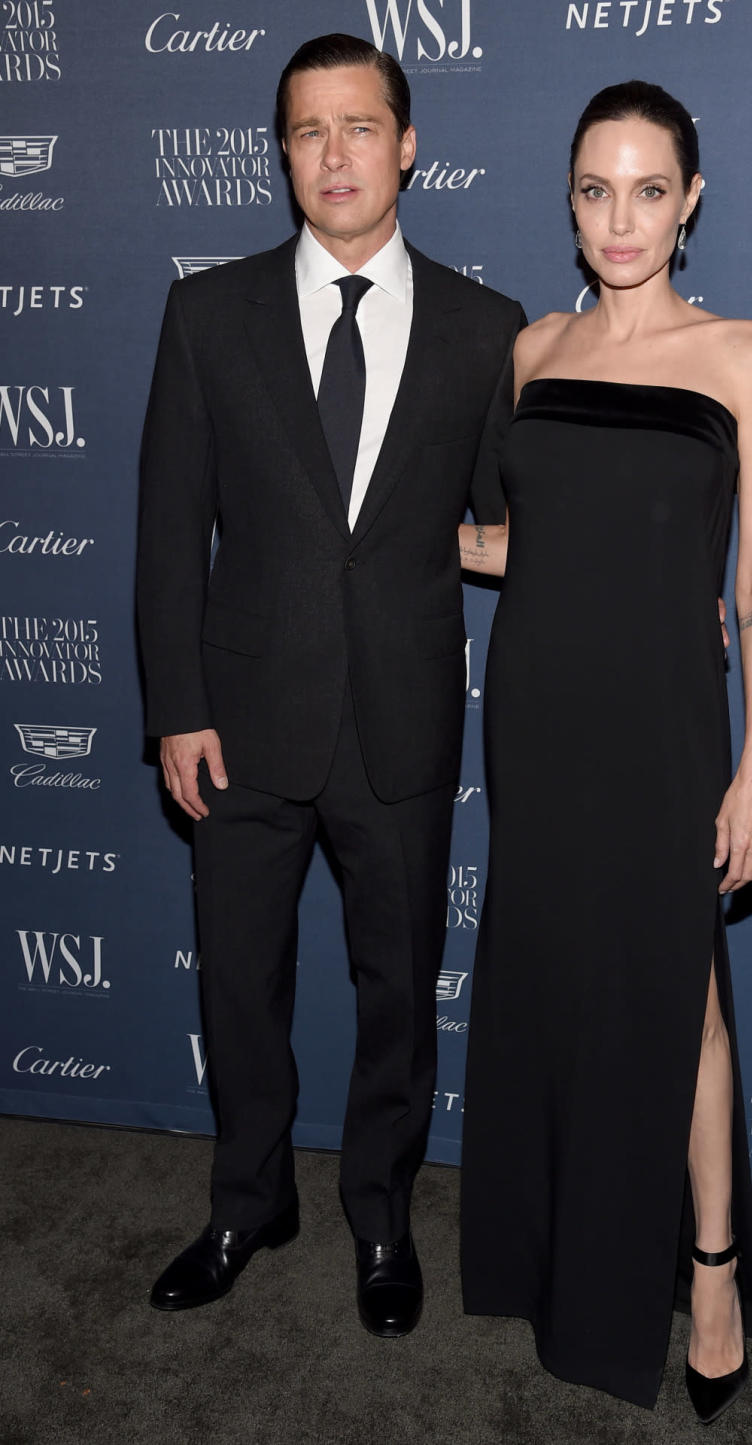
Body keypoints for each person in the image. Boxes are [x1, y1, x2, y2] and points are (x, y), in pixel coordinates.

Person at [136, 33, 523, 1336]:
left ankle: (377, 1212)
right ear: (283, 153)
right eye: (309, 130)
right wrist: (177, 704)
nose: (336, 153)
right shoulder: (208, 312)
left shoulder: (486, 327)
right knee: (237, 978)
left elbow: (502, 527)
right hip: (240, 722)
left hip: (404, 719)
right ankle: (249, 1199)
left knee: (395, 991)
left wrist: (631, 579)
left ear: (407, 146)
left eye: (361, 126)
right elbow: (164, 526)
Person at [458, 80, 752, 1422]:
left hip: (663, 727)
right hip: (537, 716)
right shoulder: (532, 351)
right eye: (597, 190)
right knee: (559, 988)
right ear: (572, 199)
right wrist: (359, 538)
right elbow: (516, 540)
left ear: (691, 198)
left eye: (650, 189)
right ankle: (563, 1255)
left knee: (684, 996)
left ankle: (708, 1272)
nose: (622, 218)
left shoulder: (743, 357)